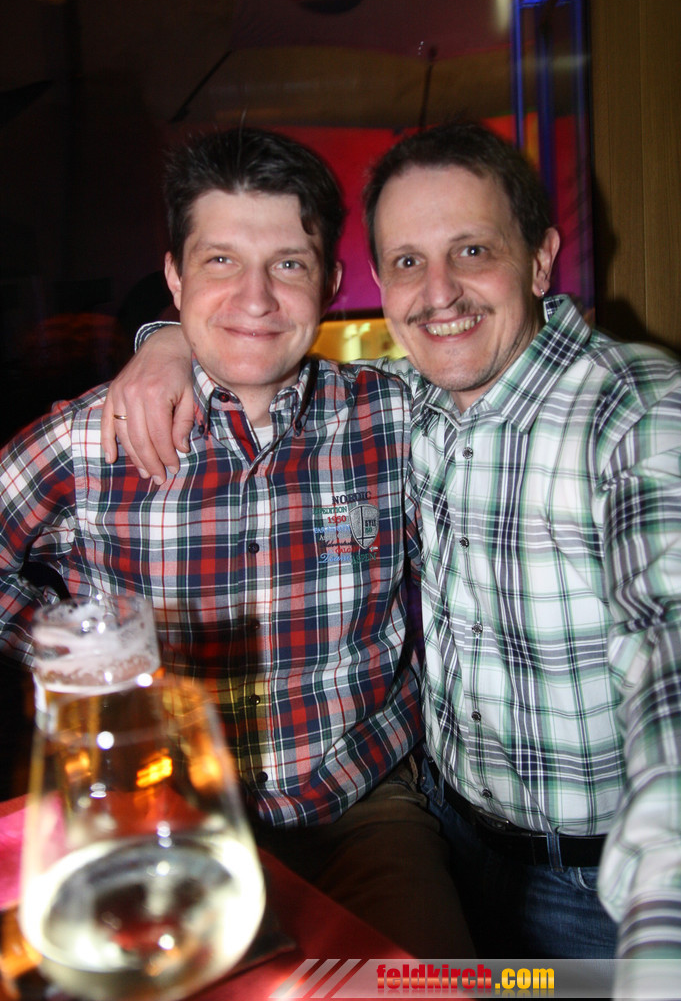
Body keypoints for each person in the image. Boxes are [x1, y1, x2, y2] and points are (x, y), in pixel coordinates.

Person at [103, 120, 681, 971]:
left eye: (472, 251)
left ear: (539, 259)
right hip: (446, 835)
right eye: (408, 261)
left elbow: (667, 654)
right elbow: (254, 332)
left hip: (598, 892)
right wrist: (169, 341)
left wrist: (664, 921)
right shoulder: (399, 401)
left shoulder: (637, 412)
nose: (438, 293)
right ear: (376, 281)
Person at [0, 127, 473, 957]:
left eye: (288, 264)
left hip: (363, 812)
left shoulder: (395, 414)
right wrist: (73, 647)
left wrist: (162, 339)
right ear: (175, 277)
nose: (255, 299)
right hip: (159, 823)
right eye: (220, 261)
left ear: (330, 282)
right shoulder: (86, 440)